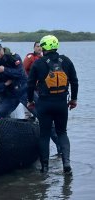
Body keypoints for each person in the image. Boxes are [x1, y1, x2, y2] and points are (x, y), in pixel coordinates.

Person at [27, 35, 78, 173]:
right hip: (61, 104)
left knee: (44, 135)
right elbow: (74, 81)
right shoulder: (66, 61)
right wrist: (73, 99)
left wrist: (30, 101)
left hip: (44, 104)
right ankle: (66, 163)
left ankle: (45, 167)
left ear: (44, 48)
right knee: (62, 132)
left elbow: (30, 84)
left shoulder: (38, 63)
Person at [24, 42, 61, 155]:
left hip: (41, 90)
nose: (39, 48)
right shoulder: (29, 58)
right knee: (31, 113)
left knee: (45, 118)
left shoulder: (44, 59)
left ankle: (58, 146)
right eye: (37, 46)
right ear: (34, 48)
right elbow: (24, 71)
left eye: (40, 46)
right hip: (30, 89)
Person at [0, 42, 36, 119]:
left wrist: (5, 70)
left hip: (24, 90)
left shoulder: (14, 57)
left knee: (40, 112)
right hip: (9, 95)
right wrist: (4, 84)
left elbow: (20, 73)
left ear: (1, 48)